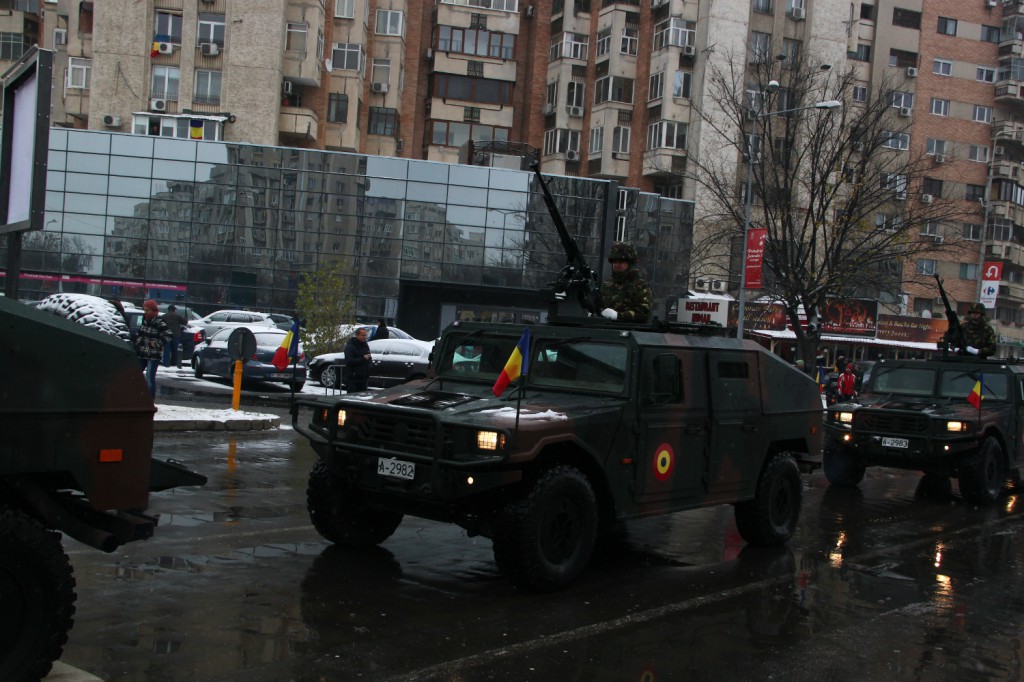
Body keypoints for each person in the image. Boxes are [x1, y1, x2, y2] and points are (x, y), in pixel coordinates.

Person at [599, 242, 652, 322]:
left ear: (629, 263)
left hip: (628, 330)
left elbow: (643, 312)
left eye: (621, 262)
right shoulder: (607, 285)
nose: (617, 265)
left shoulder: (640, 286)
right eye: (615, 262)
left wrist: (618, 316)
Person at [134, 299, 172, 397]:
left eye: (147, 310)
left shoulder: (159, 322)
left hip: (153, 354)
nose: (145, 312)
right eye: (144, 310)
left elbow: (168, 335)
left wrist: (156, 344)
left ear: (153, 310)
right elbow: (141, 335)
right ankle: (139, 396)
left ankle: (150, 400)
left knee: (150, 378)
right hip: (142, 353)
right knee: (136, 375)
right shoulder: (144, 320)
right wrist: (137, 342)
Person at [342, 326, 373, 392]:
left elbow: (369, 357)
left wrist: (369, 366)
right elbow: (349, 360)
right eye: (363, 335)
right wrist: (363, 358)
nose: (364, 337)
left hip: (363, 377)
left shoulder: (365, 344)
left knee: (362, 396)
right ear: (357, 335)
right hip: (353, 377)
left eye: (365, 335)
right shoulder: (351, 346)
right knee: (352, 396)